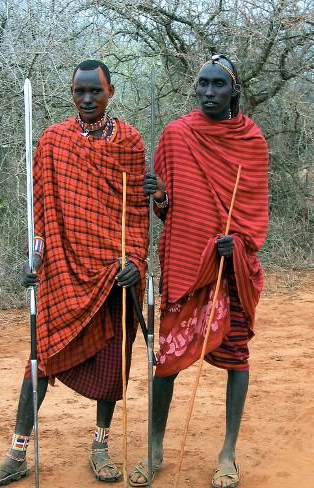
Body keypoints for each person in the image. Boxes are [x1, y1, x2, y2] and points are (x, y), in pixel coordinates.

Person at [0, 59, 149, 487]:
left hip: (111, 272)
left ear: (111, 91)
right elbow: (41, 213)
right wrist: (34, 257)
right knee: (41, 359)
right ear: (71, 93)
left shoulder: (129, 142)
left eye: (96, 91)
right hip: (62, 270)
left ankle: (100, 445)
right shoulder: (53, 141)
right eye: (80, 92)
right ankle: (17, 453)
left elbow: (138, 214)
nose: (88, 99)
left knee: (112, 361)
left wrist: (135, 263)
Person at [129, 54, 268, 488]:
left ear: (233, 91)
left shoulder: (252, 141)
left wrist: (240, 243)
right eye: (203, 85)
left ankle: (228, 452)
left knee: (236, 357)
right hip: (185, 262)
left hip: (230, 266)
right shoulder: (176, 134)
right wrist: (161, 196)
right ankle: (154, 448)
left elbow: (254, 212)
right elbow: (165, 209)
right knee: (165, 358)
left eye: (217, 86)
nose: (208, 93)